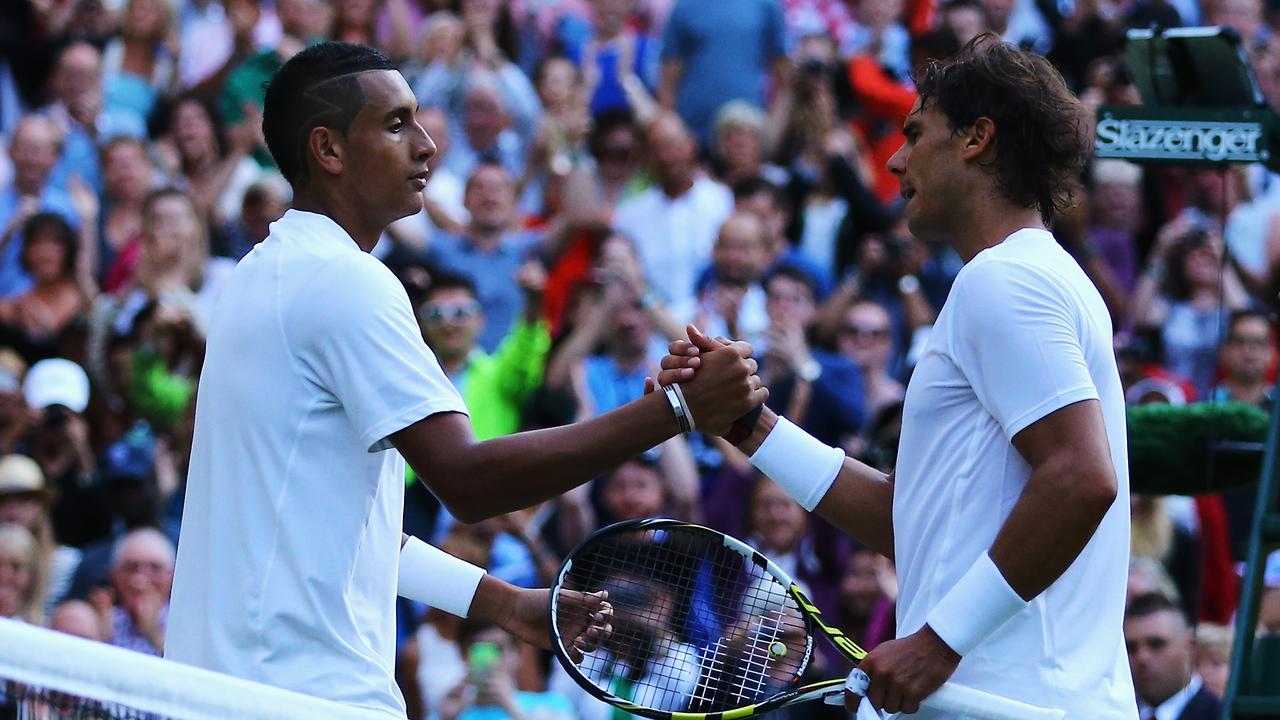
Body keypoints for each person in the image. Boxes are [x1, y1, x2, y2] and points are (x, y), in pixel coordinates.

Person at [165, 42, 764, 719]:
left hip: (229, 691)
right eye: (395, 125)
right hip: (305, 695)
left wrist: (507, 605)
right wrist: (676, 411)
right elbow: (468, 480)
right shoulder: (344, 280)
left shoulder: (256, 276)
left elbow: (353, 529)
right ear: (329, 149)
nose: (426, 146)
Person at [660, 36, 1134, 718]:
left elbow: (1081, 477)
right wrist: (748, 426)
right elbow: (914, 521)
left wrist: (937, 644)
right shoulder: (1031, 276)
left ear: (977, 139)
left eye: (915, 134)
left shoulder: (1006, 279)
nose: (895, 158)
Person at [1125, 593, 1223, 719]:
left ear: (1190, 646)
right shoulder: (1112, 713)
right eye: (1131, 648)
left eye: (1156, 644)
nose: (1142, 657)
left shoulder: (1221, 715)